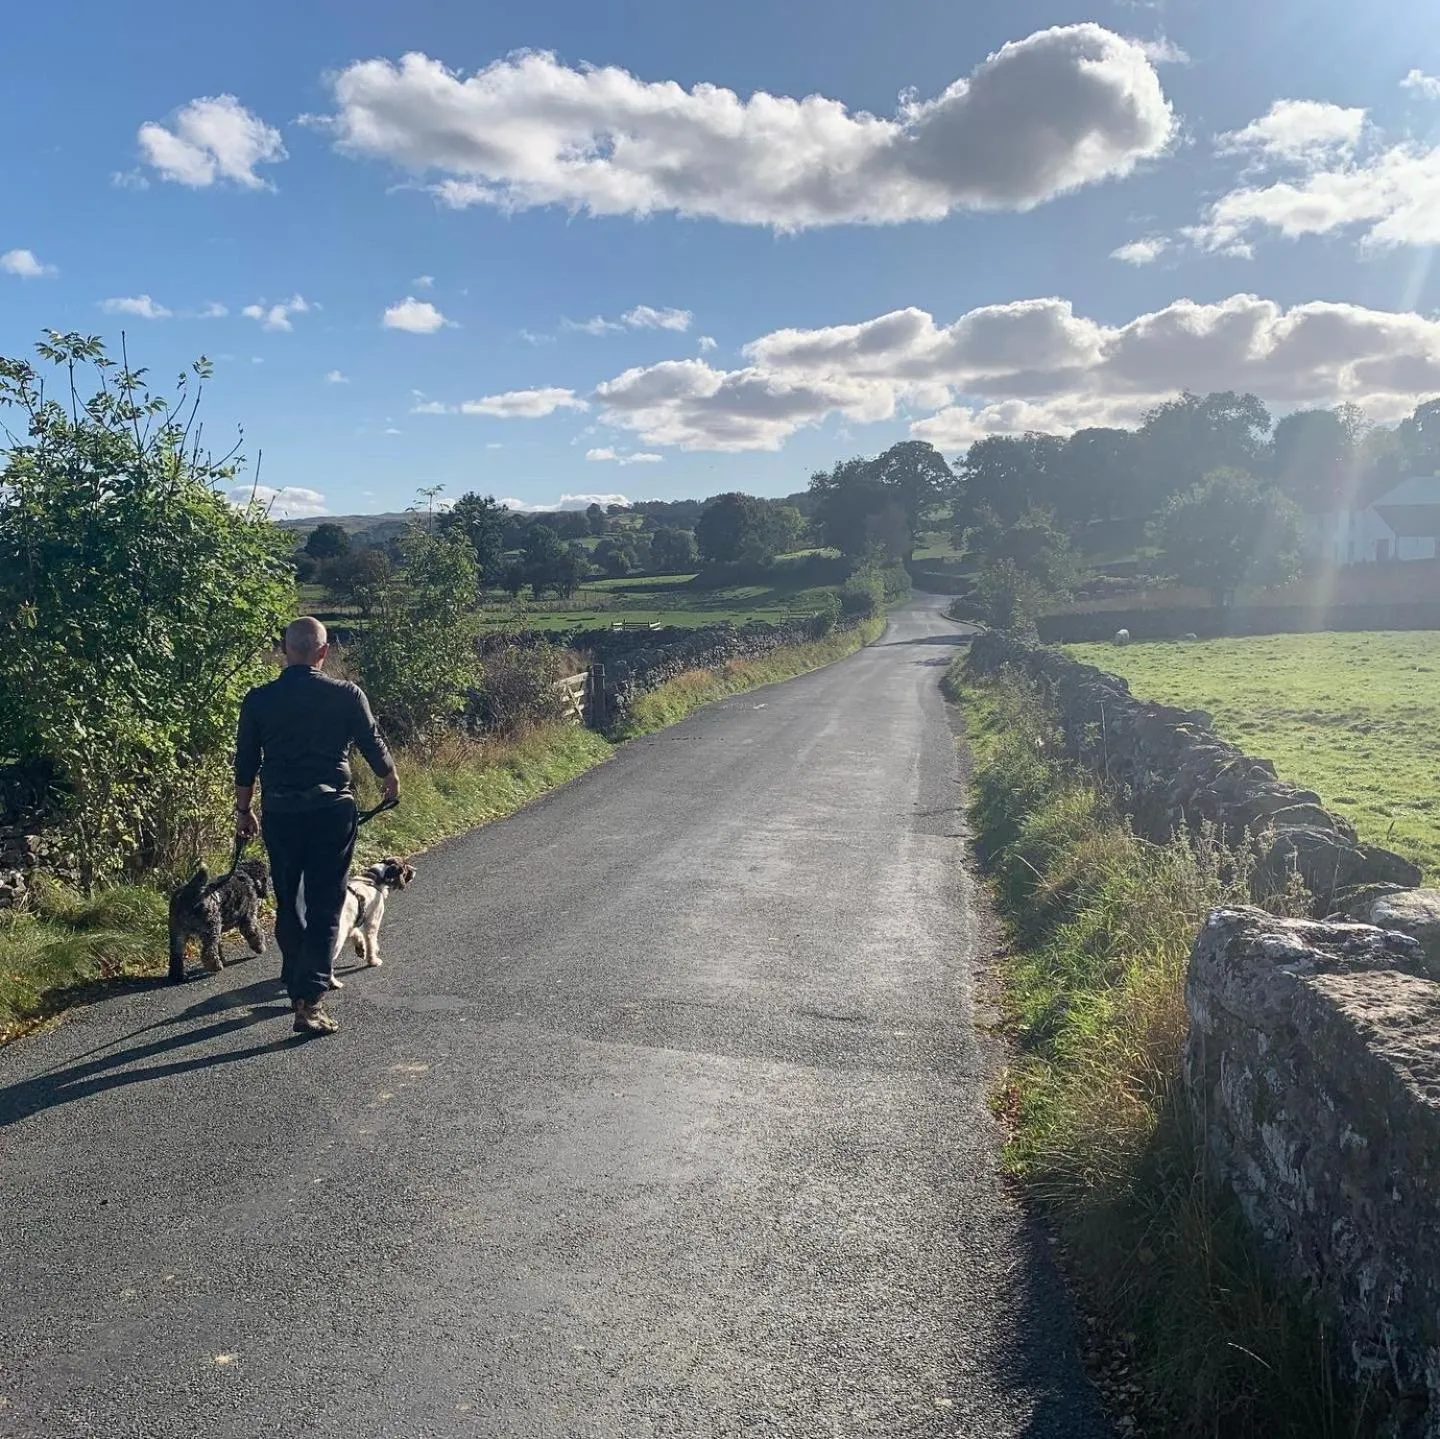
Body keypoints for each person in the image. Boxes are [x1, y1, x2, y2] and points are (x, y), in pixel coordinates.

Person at [234, 617, 399, 1036]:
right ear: (323, 652)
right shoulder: (345, 694)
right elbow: (371, 740)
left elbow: (246, 760)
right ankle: (309, 1001)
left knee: (289, 900)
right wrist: (389, 778)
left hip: (281, 811)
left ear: (284, 649)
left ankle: (294, 980)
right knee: (327, 903)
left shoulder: (259, 699)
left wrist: (243, 811)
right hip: (331, 810)